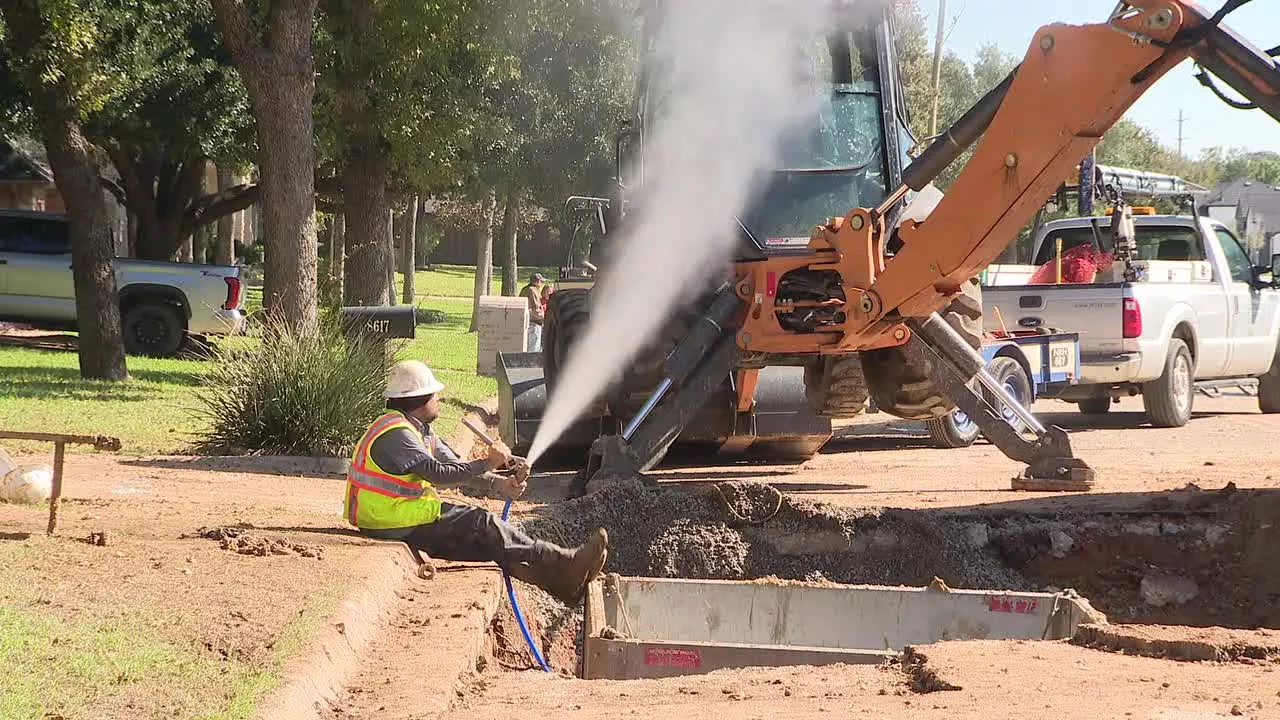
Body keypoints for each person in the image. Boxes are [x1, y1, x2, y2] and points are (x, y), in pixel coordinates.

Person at [344, 360, 608, 605]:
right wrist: (488, 463)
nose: (439, 399)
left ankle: (563, 582)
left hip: (400, 517)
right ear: (420, 400)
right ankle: (566, 564)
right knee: (483, 524)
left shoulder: (417, 429)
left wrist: (499, 484)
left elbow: (456, 467)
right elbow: (440, 474)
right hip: (388, 522)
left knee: (487, 537)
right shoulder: (397, 435)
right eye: (435, 395)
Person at [520, 272, 546, 352]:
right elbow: (535, 309)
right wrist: (545, 317)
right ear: (537, 282)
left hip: (526, 322)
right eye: (541, 282)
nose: (541, 284)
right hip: (533, 324)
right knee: (533, 350)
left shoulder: (525, 289)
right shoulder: (532, 291)